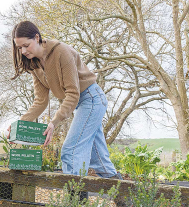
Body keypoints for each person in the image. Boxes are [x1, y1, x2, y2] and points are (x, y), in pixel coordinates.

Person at [7, 20, 122, 180]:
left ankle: (74, 203)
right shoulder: (35, 64)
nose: (23, 51)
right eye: (20, 48)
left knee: (71, 150)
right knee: (99, 160)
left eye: (26, 45)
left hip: (92, 99)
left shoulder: (61, 52)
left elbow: (73, 94)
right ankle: (125, 203)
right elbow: (40, 101)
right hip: (82, 105)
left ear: (37, 37)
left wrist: (53, 122)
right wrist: (19, 124)